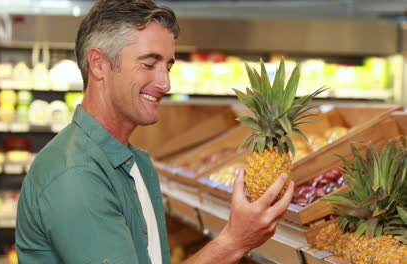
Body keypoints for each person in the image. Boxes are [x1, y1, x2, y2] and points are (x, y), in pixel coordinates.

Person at [15, 0, 294, 263]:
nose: (165, 83)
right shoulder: (76, 174)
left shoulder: (135, 163)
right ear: (99, 64)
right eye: (149, 64)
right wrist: (233, 241)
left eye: (168, 66)